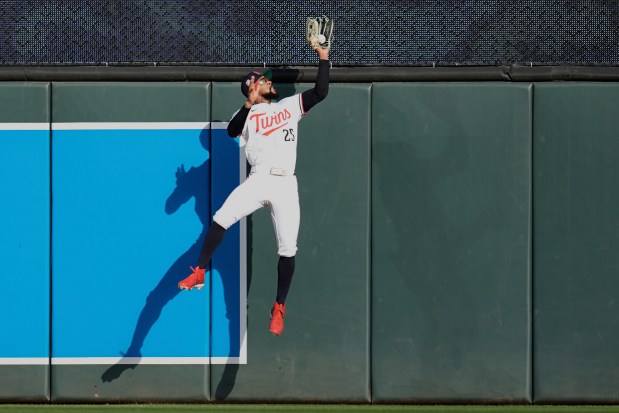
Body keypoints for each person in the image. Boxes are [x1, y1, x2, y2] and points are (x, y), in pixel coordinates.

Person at [178, 42, 330, 336]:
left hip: (286, 182)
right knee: (221, 218)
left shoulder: (288, 106)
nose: (270, 81)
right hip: (258, 179)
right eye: (264, 80)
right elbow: (233, 130)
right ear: (252, 88)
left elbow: (320, 92)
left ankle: (279, 307)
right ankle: (199, 272)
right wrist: (248, 104)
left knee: (288, 249)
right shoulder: (246, 113)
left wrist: (323, 58)